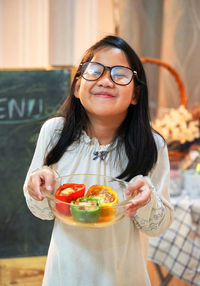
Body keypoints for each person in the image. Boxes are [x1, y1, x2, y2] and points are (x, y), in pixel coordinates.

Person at [24, 35, 173, 286]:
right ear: (76, 86)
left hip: (124, 278)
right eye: (94, 71)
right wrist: (37, 186)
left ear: (136, 94)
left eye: (120, 74)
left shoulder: (152, 146)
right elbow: (41, 212)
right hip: (64, 277)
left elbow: (156, 227)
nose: (105, 81)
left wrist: (148, 200)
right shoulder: (54, 133)